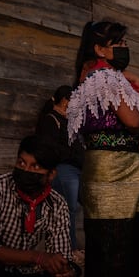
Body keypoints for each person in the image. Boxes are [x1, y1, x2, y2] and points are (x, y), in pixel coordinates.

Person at [66, 20, 139, 277]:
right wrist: (137, 117)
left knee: (116, 239)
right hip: (114, 167)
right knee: (118, 240)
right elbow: (135, 122)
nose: (124, 48)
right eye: (118, 44)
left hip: (117, 164)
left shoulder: (97, 77)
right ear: (100, 50)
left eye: (125, 43)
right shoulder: (105, 77)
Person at [0, 135, 81, 277]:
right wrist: (39, 258)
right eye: (21, 163)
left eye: (35, 166)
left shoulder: (57, 204)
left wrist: (65, 269)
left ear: (51, 175)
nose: (26, 170)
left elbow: (60, 255)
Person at [36, 85, 84, 263]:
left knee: (78, 207)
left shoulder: (69, 121)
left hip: (78, 169)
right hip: (64, 169)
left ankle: (74, 247)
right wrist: (72, 155)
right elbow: (50, 146)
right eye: (74, 101)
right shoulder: (50, 119)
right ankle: (69, 250)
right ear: (65, 100)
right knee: (68, 209)